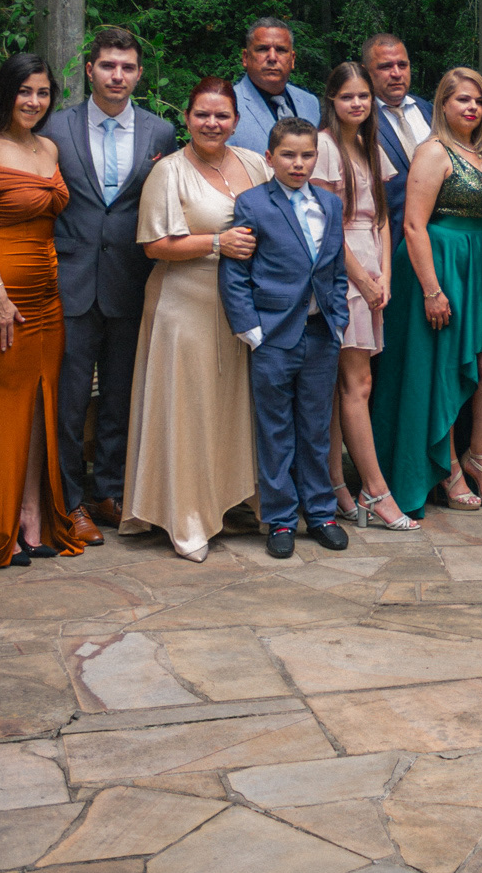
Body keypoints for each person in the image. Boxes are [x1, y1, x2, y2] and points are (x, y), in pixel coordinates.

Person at [120, 77, 270, 561]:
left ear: (236, 121)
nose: (211, 123)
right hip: (183, 307)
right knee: (189, 410)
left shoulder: (254, 163)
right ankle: (186, 516)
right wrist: (217, 243)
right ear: (186, 118)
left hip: (240, 307)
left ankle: (236, 497)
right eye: (202, 114)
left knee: (233, 407)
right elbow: (153, 245)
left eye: (222, 115)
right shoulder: (169, 172)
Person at [369, 69, 482, 517]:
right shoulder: (433, 151)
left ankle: (480, 458)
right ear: (442, 105)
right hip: (439, 266)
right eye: (462, 100)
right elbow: (413, 225)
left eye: (478, 100)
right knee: (443, 368)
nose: (471, 108)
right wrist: (432, 290)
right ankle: (449, 467)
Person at [0, 53, 85, 569]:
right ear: (5, 93)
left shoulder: (47, 148)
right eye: (24, 91)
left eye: (43, 92)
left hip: (47, 299)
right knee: (2, 412)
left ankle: (31, 518)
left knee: (37, 408)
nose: (34, 101)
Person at [48, 27, 177, 543]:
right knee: (70, 400)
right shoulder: (55, 128)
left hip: (131, 281)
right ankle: (68, 502)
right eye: (107, 66)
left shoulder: (160, 133)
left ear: (139, 74)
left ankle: (109, 490)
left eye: (126, 67)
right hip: (71, 281)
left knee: (121, 398)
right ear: (90, 70)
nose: (117, 76)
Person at [223, 118, 350, 558]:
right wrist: (251, 329)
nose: (298, 164)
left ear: (317, 156)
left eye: (307, 155)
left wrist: (338, 320)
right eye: (289, 155)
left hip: (320, 333)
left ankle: (321, 513)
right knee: (275, 431)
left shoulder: (329, 204)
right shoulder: (253, 204)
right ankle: (280, 519)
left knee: (316, 429)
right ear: (270, 157)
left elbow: (335, 269)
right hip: (273, 335)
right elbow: (236, 272)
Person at [312, 63, 417, 530]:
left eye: (362, 96)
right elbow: (324, 222)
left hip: (373, 268)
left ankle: (336, 483)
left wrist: (386, 275)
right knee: (358, 385)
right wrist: (362, 279)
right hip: (343, 271)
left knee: (347, 385)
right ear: (332, 102)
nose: (357, 104)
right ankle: (374, 490)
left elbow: (382, 217)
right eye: (347, 97)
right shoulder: (324, 147)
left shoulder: (369, 146)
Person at [363, 33, 433, 242]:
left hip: (438, 240)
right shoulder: (359, 120)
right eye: (386, 67)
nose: (396, 73)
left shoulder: (429, 111)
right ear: (366, 72)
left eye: (402, 65)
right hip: (389, 240)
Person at [233, 17, 321, 156]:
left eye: (281, 50)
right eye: (262, 49)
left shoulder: (310, 103)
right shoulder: (228, 105)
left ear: (292, 59)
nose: (272, 57)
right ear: (245, 57)